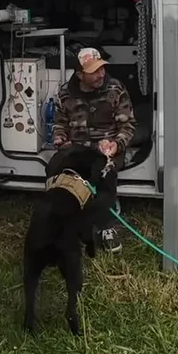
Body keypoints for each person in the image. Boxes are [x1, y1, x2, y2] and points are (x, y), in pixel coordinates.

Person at [51, 47, 136, 253]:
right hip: (78, 147)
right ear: (80, 75)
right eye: (94, 71)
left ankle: (106, 227)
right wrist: (59, 137)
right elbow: (59, 123)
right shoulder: (65, 93)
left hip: (107, 149)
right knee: (54, 168)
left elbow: (128, 126)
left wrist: (116, 144)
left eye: (102, 68)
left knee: (104, 174)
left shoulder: (115, 89)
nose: (101, 74)